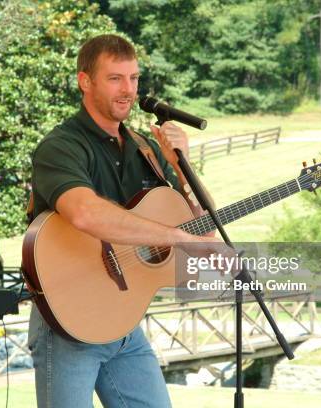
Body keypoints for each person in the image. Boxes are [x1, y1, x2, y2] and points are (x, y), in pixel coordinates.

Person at [27, 34, 231, 407]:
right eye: (115, 78)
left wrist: (181, 167)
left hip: (123, 321)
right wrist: (176, 238)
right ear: (84, 81)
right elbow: (85, 212)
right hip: (67, 318)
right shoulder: (62, 146)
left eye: (134, 78)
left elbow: (203, 221)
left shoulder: (145, 148)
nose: (129, 90)